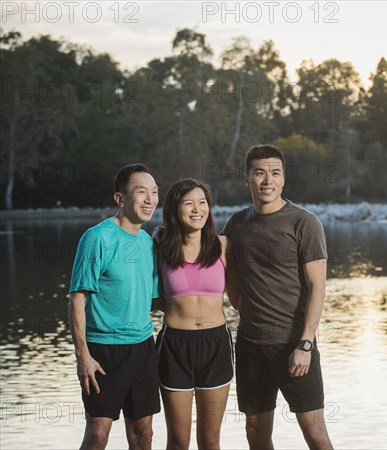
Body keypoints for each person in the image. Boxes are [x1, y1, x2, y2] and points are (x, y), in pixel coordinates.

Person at [221, 144, 333, 450]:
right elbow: (233, 283)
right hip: (250, 346)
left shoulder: (304, 222)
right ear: (247, 180)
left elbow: (317, 288)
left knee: (315, 432)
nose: (267, 180)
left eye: (275, 173)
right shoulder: (236, 224)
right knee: (256, 433)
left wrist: (305, 344)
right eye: (259, 173)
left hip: (294, 347)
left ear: (283, 179)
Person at [68, 163, 160, 450]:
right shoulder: (97, 239)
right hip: (103, 351)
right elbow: (77, 299)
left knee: (144, 433)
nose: (150, 200)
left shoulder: (148, 242)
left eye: (155, 193)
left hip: (143, 347)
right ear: (120, 199)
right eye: (141, 192)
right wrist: (83, 354)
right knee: (98, 433)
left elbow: (154, 302)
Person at [154, 178, 234, 449]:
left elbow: (243, 293)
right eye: (188, 203)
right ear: (175, 209)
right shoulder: (161, 246)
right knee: (178, 441)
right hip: (175, 346)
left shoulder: (223, 246)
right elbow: (150, 297)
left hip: (215, 345)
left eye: (202, 202)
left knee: (210, 441)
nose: (197, 209)